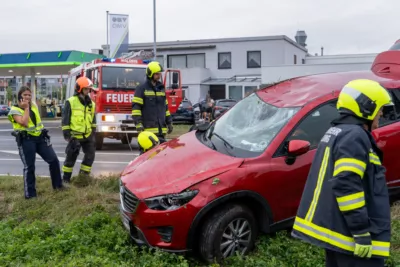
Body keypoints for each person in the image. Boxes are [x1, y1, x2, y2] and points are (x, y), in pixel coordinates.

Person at [291, 79, 393, 267]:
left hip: (340, 235)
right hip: (352, 241)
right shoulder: (354, 136)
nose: (382, 115)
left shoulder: (337, 131)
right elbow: (347, 184)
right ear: (367, 107)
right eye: (380, 109)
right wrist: (361, 232)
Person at [8, 86, 65, 199]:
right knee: (29, 167)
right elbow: (24, 122)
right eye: (25, 95)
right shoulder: (14, 110)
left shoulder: (33, 105)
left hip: (40, 138)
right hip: (26, 140)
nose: (28, 97)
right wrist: (25, 108)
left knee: (53, 160)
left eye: (29, 95)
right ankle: (30, 195)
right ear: (20, 96)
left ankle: (58, 186)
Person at [61, 77, 97, 183]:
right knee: (70, 159)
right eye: (86, 89)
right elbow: (65, 121)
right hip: (75, 136)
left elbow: (93, 121)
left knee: (90, 156)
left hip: (87, 135)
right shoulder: (70, 102)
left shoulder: (91, 104)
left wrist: (93, 134)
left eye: (89, 89)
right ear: (79, 89)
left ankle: (83, 178)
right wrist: (68, 136)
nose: (88, 91)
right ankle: (66, 180)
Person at [131, 61, 173, 143]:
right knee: (147, 155)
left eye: (160, 74)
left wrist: (169, 122)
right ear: (150, 74)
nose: (159, 76)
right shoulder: (141, 88)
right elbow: (136, 108)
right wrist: (138, 124)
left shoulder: (161, 88)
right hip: (148, 132)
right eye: (157, 74)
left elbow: (166, 108)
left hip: (161, 132)